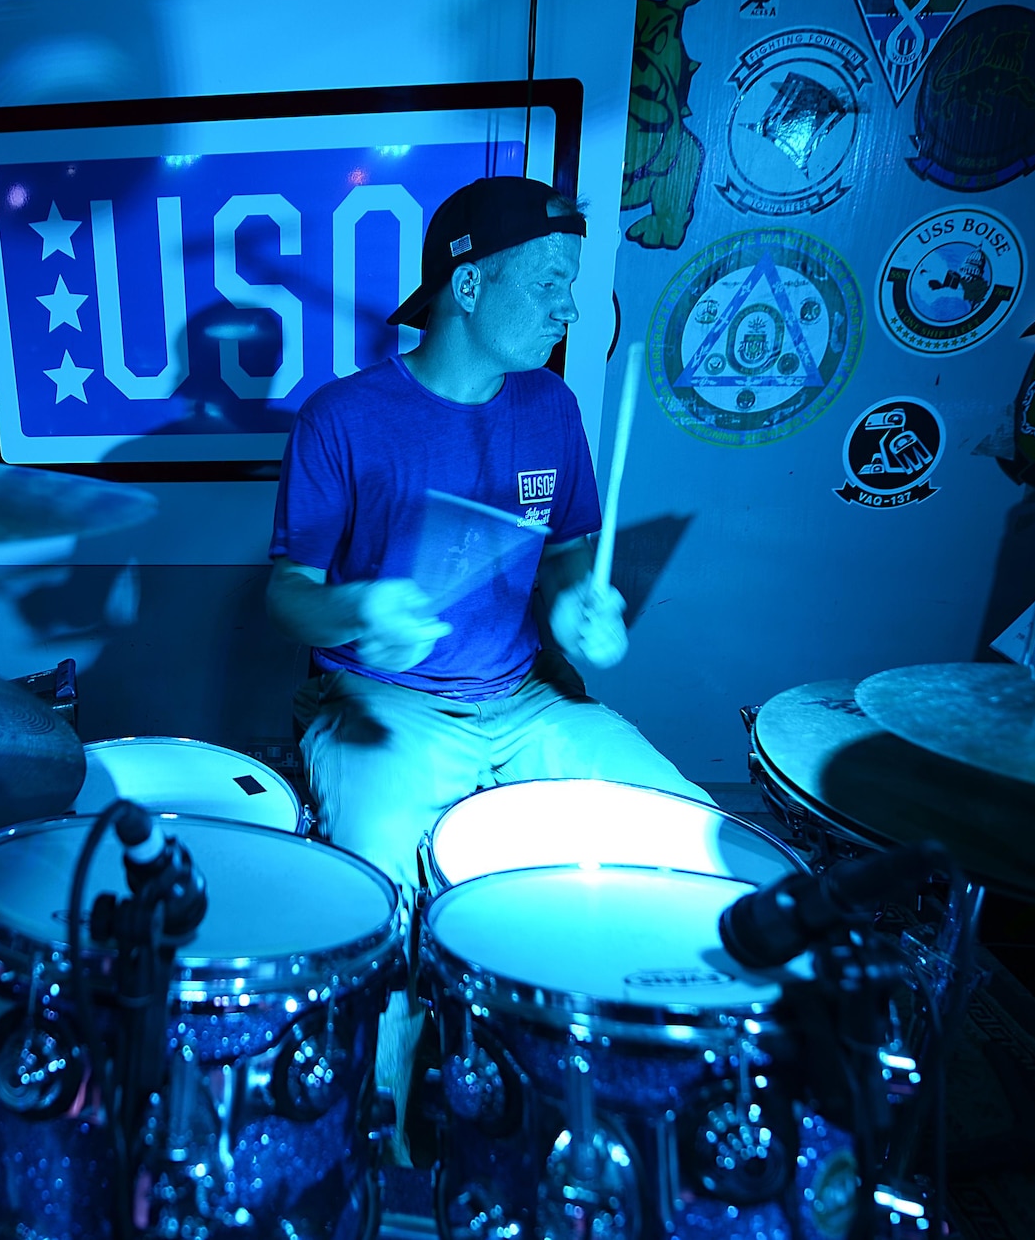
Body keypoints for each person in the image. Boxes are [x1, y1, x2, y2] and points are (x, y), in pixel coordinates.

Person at [265, 175, 707, 1161]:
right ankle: (373, 1142)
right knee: (374, 894)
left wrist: (580, 605)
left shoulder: (549, 405)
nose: (569, 304)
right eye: (549, 280)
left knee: (689, 834)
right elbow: (286, 591)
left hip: (523, 698)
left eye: (570, 282)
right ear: (467, 286)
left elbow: (565, 553)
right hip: (381, 701)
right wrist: (355, 610)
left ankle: (645, 1119)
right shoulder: (342, 416)